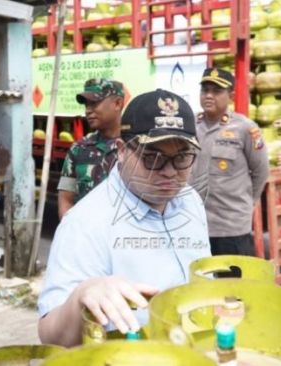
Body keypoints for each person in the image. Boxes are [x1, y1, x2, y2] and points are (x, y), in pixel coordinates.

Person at [38, 89, 210, 347]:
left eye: (182, 158)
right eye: (152, 158)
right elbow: (51, 336)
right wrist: (81, 296)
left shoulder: (190, 201)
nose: (169, 172)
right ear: (121, 150)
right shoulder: (86, 223)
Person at [191, 68, 269, 256]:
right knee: (199, 282)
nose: (209, 96)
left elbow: (261, 171)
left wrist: (246, 204)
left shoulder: (245, 128)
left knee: (234, 284)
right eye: (205, 90)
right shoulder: (190, 125)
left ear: (231, 96)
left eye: (216, 91)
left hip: (231, 226)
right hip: (195, 224)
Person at [57, 78, 125, 218]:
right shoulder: (78, 149)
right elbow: (65, 199)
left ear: (117, 103)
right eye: (86, 105)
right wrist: (70, 229)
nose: (88, 110)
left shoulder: (137, 146)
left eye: (94, 103)